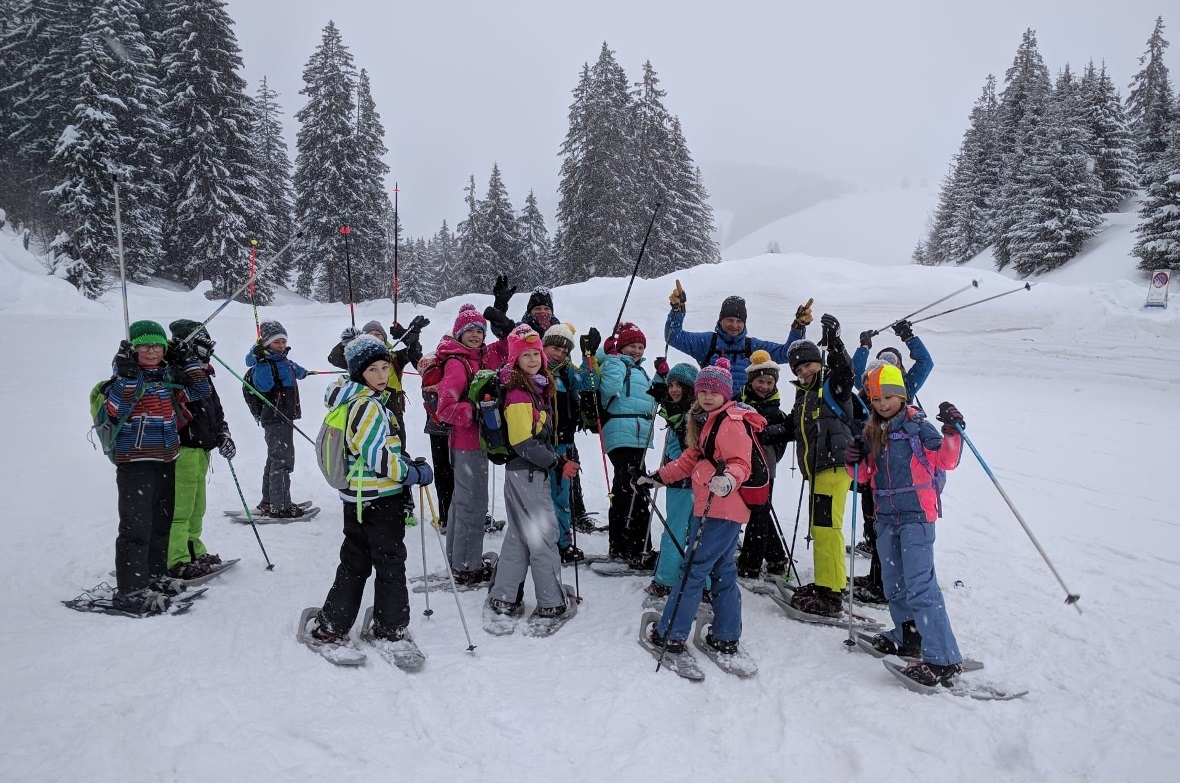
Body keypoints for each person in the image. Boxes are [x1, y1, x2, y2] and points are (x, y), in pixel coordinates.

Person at [309, 335, 434, 645]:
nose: (381, 376)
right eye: (373, 370)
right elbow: (376, 456)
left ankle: (333, 624)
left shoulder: (352, 401)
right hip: (380, 499)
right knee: (390, 562)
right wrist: (410, 473)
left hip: (358, 498)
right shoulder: (367, 406)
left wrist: (400, 457)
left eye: (384, 368)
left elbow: (373, 449)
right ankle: (390, 627)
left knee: (355, 561)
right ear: (358, 373)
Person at [845, 364, 964, 687]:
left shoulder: (918, 427)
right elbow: (864, 476)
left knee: (920, 585)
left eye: (889, 397)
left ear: (901, 396)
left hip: (916, 516)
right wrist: (853, 459)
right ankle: (908, 634)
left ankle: (943, 658)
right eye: (876, 398)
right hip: (885, 516)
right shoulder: (872, 431)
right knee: (893, 582)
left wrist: (954, 431)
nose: (883, 404)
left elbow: (947, 461)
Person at [637, 358, 764, 657]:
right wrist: (657, 478)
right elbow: (690, 460)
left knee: (693, 570)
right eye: (703, 391)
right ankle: (725, 634)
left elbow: (740, 463)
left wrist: (728, 481)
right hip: (719, 509)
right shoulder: (708, 420)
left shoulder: (730, 422)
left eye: (714, 392)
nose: (707, 396)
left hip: (719, 507)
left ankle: (671, 633)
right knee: (721, 570)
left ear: (726, 394)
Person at [106, 320, 211, 614]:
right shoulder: (126, 377)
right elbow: (116, 408)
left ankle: (155, 576)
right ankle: (131, 590)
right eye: (144, 346)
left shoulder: (167, 376)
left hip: (166, 459)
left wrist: (186, 359)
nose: (151, 351)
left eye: (157, 345)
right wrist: (126, 373)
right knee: (135, 528)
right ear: (133, 348)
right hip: (135, 462)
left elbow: (199, 390)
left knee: (160, 524)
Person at [486, 325, 578, 624]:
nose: (532, 359)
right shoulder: (519, 394)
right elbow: (522, 441)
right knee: (542, 536)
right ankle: (551, 601)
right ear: (514, 359)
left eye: (535, 353)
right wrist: (555, 463)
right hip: (528, 474)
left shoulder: (533, 388)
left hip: (522, 473)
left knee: (518, 536)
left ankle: (504, 596)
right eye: (524, 354)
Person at [852, 319, 936, 604]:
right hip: (872, 461)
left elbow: (925, 362)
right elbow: (854, 374)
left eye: (894, 367)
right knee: (875, 520)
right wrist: (863, 346)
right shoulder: (870, 390)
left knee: (885, 523)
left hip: (899, 470)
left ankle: (881, 582)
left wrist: (908, 336)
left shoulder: (904, 389)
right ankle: (879, 577)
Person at [781, 315, 856, 617]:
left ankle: (830, 595)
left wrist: (835, 343)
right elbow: (789, 428)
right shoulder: (805, 397)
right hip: (820, 470)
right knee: (823, 527)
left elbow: (847, 372)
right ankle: (831, 584)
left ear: (818, 363)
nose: (803, 371)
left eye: (807, 365)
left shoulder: (831, 385)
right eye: (798, 369)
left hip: (834, 466)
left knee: (826, 529)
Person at [434, 304, 507, 584]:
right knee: (473, 505)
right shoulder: (457, 362)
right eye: (470, 331)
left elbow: (503, 351)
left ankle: (458, 560)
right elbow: (446, 407)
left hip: (472, 443)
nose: (476, 335)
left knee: (462, 503)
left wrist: (503, 317)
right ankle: (467, 568)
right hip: (467, 442)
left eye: (479, 331)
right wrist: (476, 412)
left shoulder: (477, 357)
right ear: (459, 333)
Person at [166, 319, 236, 579]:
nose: (209, 351)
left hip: (201, 451)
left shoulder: (203, 374)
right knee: (180, 509)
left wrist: (223, 434)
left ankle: (193, 548)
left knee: (197, 507)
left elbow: (214, 411)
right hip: (182, 448)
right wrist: (182, 363)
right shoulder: (174, 371)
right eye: (203, 345)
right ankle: (176, 558)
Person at [665, 281, 813, 394]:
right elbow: (674, 337)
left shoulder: (752, 347)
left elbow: (786, 353)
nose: (734, 325)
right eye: (729, 320)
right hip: (712, 413)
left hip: (744, 415)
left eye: (739, 321)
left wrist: (798, 327)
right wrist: (677, 310)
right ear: (720, 320)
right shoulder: (708, 342)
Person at [598, 321, 656, 566]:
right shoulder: (618, 364)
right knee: (634, 488)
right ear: (621, 347)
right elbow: (609, 388)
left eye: (640, 346)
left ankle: (622, 546)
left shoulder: (641, 371)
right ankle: (636, 547)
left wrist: (662, 376)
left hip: (638, 437)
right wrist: (612, 359)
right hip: (622, 434)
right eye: (632, 345)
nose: (637, 350)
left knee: (627, 488)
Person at [642, 360, 698, 605]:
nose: (673, 389)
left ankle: (666, 579)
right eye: (671, 385)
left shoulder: (688, 413)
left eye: (680, 385)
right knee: (692, 530)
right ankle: (698, 581)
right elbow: (658, 391)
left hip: (683, 478)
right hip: (682, 478)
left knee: (678, 528)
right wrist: (660, 375)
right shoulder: (682, 408)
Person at [735, 350, 792, 579]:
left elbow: (785, 435)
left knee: (758, 512)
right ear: (751, 381)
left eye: (770, 382)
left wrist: (769, 439)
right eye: (761, 381)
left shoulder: (775, 411)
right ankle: (776, 557)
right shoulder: (738, 405)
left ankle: (751, 563)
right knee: (758, 510)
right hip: (741, 466)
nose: (765, 386)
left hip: (764, 468)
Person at [541, 322, 594, 563]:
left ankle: (563, 542)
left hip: (563, 444)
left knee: (561, 496)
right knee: (538, 497)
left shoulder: (567, 371)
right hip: (538, 445)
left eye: (564, 350)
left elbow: (586, 382)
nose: (560, 353)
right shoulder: (534, 369)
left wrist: (587, 356)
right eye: (555, 348)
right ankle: (540, 542)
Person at [245, 319, 308, 518]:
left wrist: (304, 372)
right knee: (282, 460)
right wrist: (261, 361)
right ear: (265, 344)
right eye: (276, 342)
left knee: (275, 458)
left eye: (283, 341)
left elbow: (295, 370)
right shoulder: (263, 363)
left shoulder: (282, 359)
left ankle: (269, 500)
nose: (281, 346)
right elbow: (263, 387)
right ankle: (280, 506)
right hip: (275, 416)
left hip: (284, 416)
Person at [418, 353, 454, 533]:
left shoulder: (432, 361)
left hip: (436, 426)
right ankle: (457, 516)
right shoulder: (456, 363)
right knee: (460, 474)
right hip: (457, 427)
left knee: (443, 474)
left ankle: (446, 516)